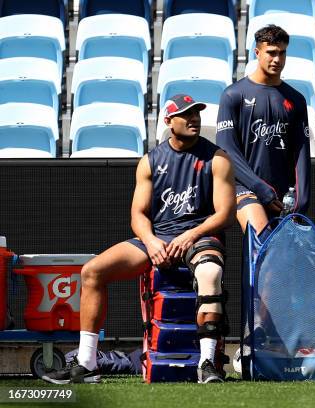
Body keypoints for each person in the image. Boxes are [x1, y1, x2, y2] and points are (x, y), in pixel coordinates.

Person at [42, 94, 236, 384]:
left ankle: (207, 364)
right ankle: (87, 363)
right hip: (157, 238)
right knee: (91, 272)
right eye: (186, 114)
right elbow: (138, 215)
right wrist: (151, 241)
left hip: (199, 236)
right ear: (169, 121)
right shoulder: (150, 161)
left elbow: (225, 214)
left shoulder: (217, 158)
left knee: (211, 271)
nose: (194, 118)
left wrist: (189, 235)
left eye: (196, 113)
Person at [215, 24, 311, 234]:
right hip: (244, 188)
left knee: (280, 256)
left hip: (282, 195)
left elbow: (302, 152)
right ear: (257, 53)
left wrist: (301, 199)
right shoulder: (233, 95)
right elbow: (227, 150)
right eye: (271, 53)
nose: (277, 59)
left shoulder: (296, 99)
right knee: (261, 235)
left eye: (282, 53)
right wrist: (261, 189)